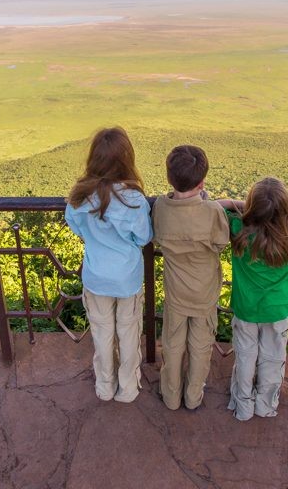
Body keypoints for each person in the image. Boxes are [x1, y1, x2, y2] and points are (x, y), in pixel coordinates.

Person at [217, 178, 288, 421]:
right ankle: (265, 406)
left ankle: (243, 406)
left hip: (245, 308)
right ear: (284, 211)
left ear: (253, 208)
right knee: (272, 359)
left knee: (245, 356)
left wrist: (243, 205)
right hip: (276, 310)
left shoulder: (238, 227)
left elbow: (216, 205)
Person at [65, 127, 152, 403]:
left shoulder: (79, 197)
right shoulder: (134, 200)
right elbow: (144, 237)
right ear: (127, 160)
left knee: (102, 335)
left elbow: (76, 226)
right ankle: (127, 388)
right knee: (128, 333)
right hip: (127, 279)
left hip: (96, 277)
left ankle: (105, 386)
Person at [152, 145, 230, 411]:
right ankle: (193, 397)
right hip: (204, 294)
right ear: (202, 181)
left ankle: (171, 397)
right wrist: (210, 201)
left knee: (172, 346)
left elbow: (157, 236)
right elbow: (221, 243)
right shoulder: (212, 212)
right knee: (200, 346)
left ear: (169, 178)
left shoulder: (161, 208)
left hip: (175, 293)